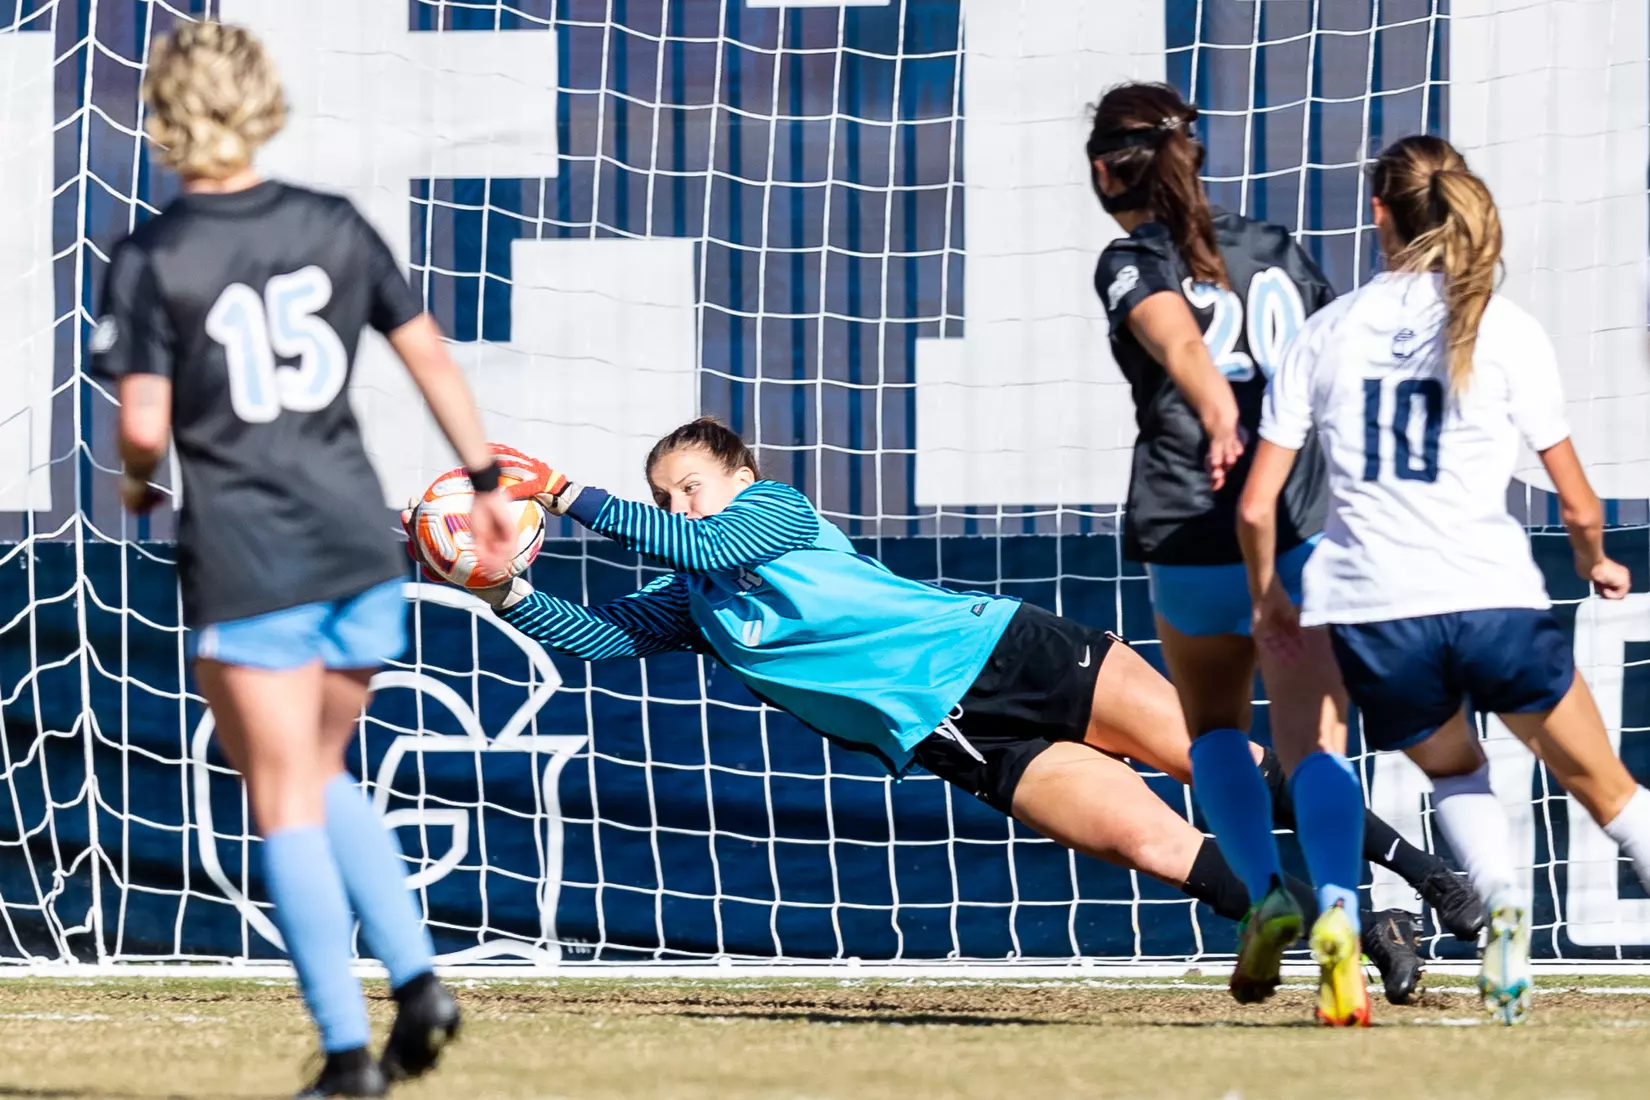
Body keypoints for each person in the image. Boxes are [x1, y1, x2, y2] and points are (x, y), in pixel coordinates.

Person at [406, 418, 1458, 999]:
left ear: (740, 473)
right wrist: (502, 589)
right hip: (958, 736)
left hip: (1012, 651)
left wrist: (569, 489)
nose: (681, 504)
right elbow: (607, 636)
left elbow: (706, 540)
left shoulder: (768, 514)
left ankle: (1424, 870)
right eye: (666, 492)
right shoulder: (695, 599)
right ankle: (1374, 929)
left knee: (1214, 756)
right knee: (1157, 844)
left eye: (690, 482)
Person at [94, 23, 510, 1097]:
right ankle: (417, 980)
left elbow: (142, 426)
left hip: (249, 552)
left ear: (166, 115)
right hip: (355, 543)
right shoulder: (331, 222)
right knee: (321, 776)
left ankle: (343, 1052)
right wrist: (484, 482)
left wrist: (139, 480)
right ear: (263, 102)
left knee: (281, 796)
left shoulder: (152, 255)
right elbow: (427, 353)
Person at [1085, 82, 1480, 1017]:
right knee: (1317, 744)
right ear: (1198, 154)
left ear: (1106, 169)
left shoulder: (1128, 258)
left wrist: (1213, 404)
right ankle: (1343, 914)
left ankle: (1267, 899)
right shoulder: (1274, 249)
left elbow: (1172, 332)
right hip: (1298, 525)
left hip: (1190, 530)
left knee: (1216, 729)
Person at [1238, 133, 1650, 1027]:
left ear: (1378, 211)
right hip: (1494, 595)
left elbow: (1257, 502)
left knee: (1456, 773)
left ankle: (1502, 907)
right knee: (1611, 792)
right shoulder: (1502, 327)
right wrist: (1597, 561)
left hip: (1379, 612)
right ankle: (1504, 911)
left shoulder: (1329, 331)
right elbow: (1577, 500)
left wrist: (1271, 593)